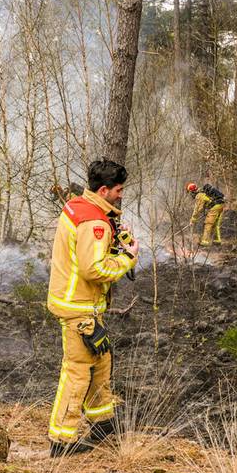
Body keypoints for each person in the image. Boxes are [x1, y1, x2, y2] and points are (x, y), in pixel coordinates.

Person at [45, 159, 139, 457]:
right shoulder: (95, 222)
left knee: (100, 360)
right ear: (104, 189)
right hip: (78, 306)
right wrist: (128, 259)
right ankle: (61, 441)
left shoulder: (80, 205)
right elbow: (93, 269)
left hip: (80, 302)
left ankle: (102, 421)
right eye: (118, 190)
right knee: (77, 372)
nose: (121, 195)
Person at [187, 182, 226, 246]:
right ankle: (217, 241)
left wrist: (193, 219)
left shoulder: (199, 195)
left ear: (192, 191)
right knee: (215, 224)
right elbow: (207, 202)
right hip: (221, 205)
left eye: (190, 192)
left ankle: (204, 242)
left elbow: (197, 209)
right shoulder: (203, 192)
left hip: (215, 207)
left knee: (208, 223)